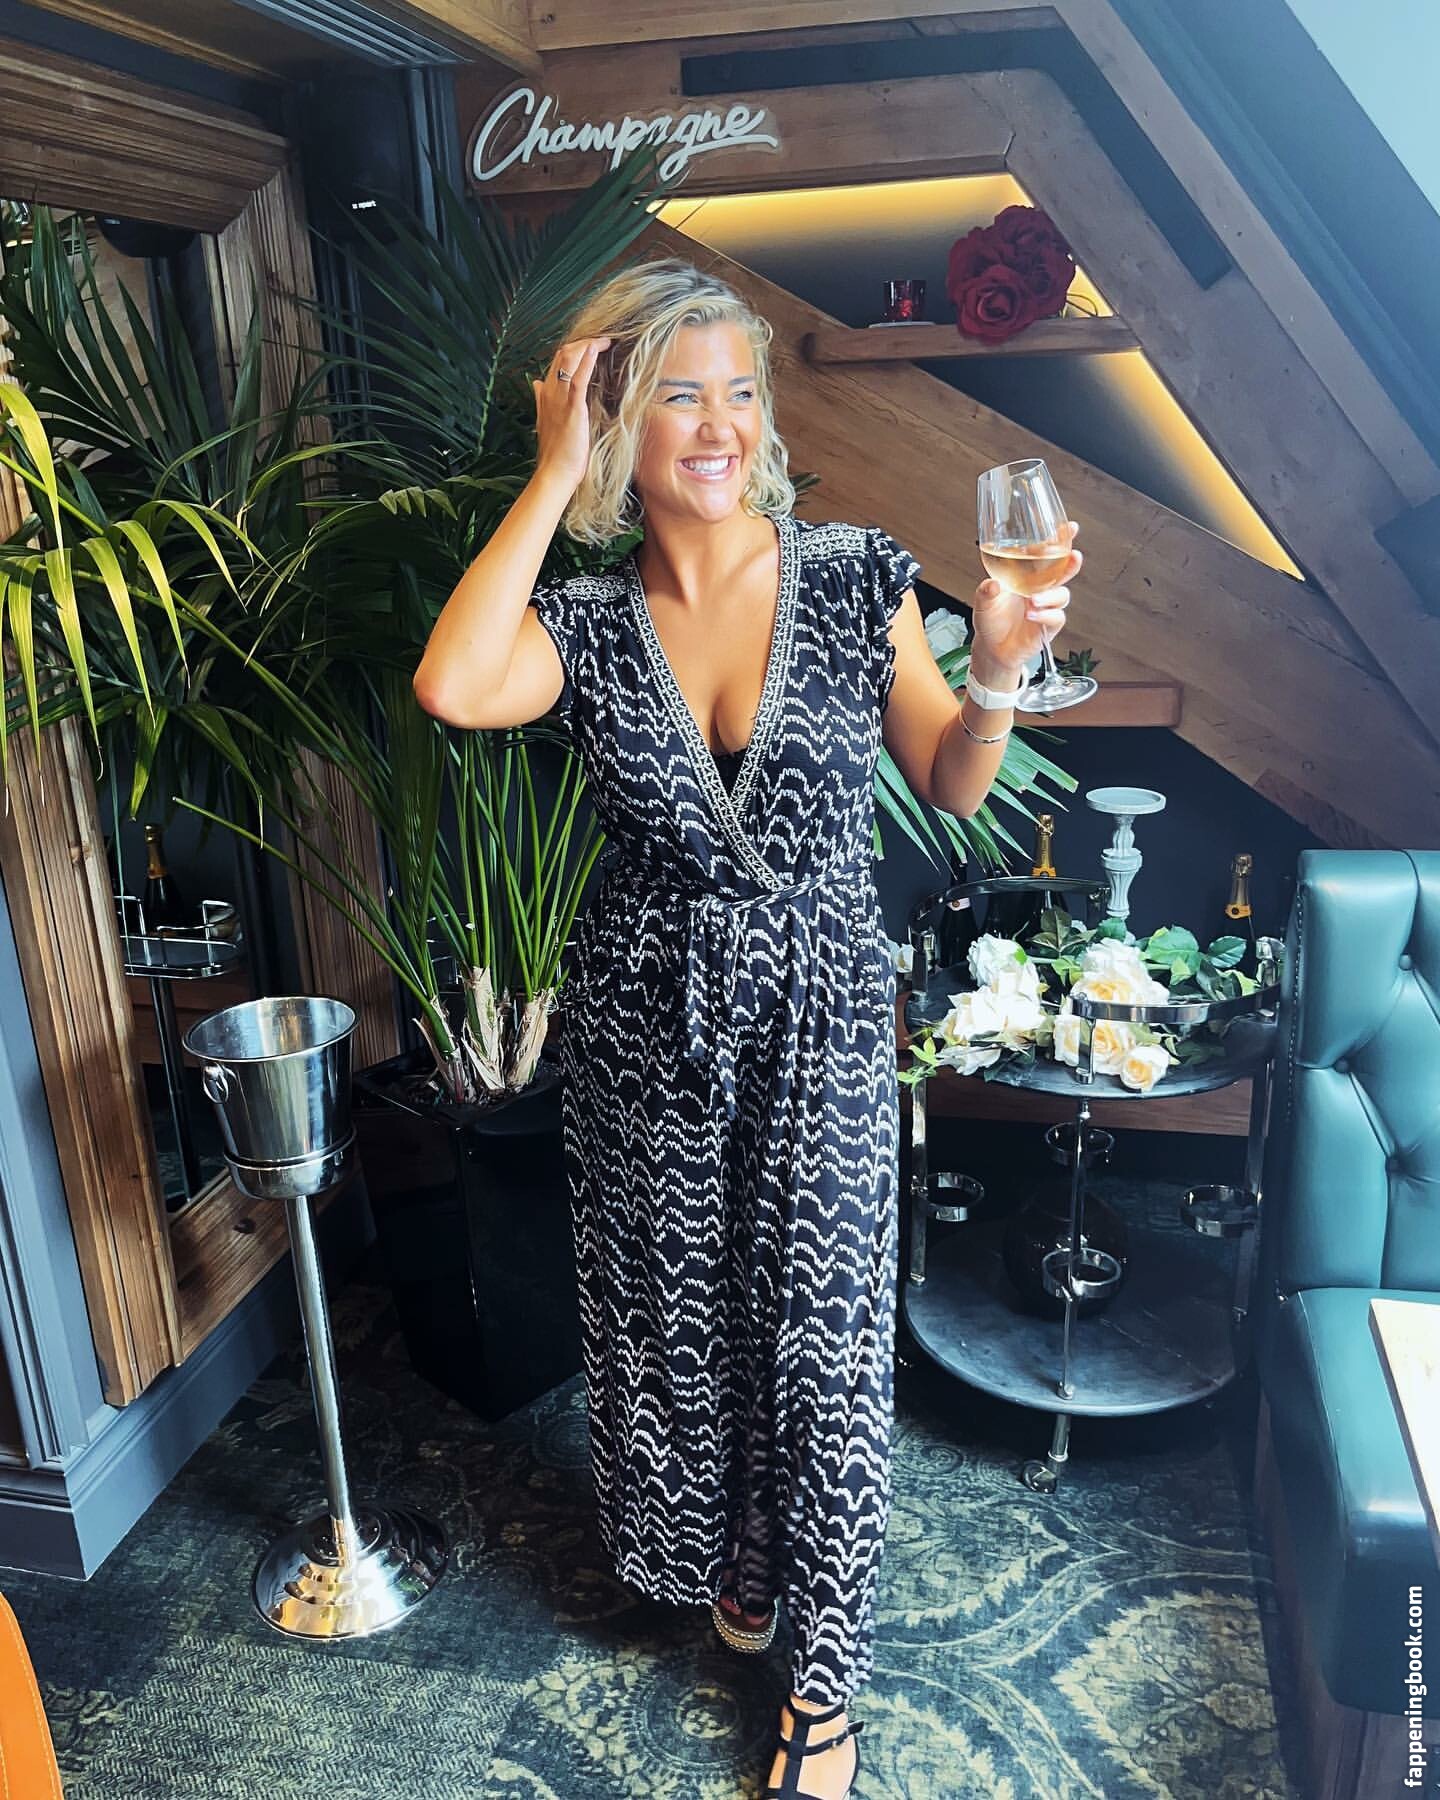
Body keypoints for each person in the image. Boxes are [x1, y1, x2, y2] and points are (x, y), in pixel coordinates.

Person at [414, 256, 1077, 1800]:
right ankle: (742, 1558)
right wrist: (552, 470)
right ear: (617, 422)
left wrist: (992, 671)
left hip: (822, 1011)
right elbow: (454, 682)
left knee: (823, 1338)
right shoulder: (584, 623)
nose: (717, 425)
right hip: (644, 1019)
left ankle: (823, 1693)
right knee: (682, 1324)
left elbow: (954, 778)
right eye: (674, 396)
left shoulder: (851, 578)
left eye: (737, 393)